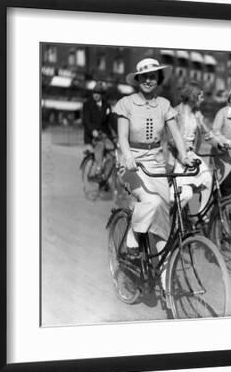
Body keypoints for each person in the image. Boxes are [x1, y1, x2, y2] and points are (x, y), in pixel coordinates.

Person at [114, 58, 192, 255]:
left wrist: (184, 156)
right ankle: (134, 231)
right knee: (153, 202)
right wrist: (129, 156)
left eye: (153, 77)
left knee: (163, 213)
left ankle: (164, 273)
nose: (148, 80)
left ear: (159, 79)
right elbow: (122, 137)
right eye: (145, 77)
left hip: (156, 164)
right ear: (138, 79)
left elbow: (176, 134)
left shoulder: (164, 105)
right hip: (133, 163)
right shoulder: (126, 103)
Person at [169, 81, 213, 213]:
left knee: (208, 180)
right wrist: (182, 153)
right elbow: (170, 139)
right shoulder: (175, 112)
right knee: (183, 195)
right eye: (201, 96)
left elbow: (208, 133)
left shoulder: (197, 114)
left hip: (191, 154)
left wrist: (221, 143)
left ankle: (201, 214)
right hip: (176, 156)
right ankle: (171, 220)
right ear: (193, 96)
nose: (203, 99)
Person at [82, 83, 116, 176]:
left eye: (98, 93)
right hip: (92, 135)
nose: (96, 95)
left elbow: (112, 121)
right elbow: (86, 121)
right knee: (100, 145)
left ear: (102, 94)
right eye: (94, 92)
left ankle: (105, 177)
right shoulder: (87, 105)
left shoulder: (106, 105)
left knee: (112, 155)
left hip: (105, 135)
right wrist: (93, 131)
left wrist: (120, 133)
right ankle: (98, 167)